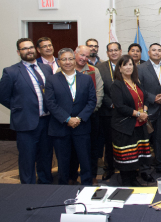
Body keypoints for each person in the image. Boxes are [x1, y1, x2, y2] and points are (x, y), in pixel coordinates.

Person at [0, 38, 54, 184]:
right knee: (27, 159)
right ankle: (27, 189)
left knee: (46, 156)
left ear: (35, 50)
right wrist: (21, 109)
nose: (28, 51)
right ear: (18, 52)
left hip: (47, 122)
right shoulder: (11, 72)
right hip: (25, 123)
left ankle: (45, 184)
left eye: (30, 48)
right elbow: (3, 97)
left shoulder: (46, 69)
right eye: (24, 49)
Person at [44, 48, 97, 185]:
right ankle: (63, 188)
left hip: (82, 127)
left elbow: (92, 101)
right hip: (60, 128)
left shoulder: (86, 79)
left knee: (85, 160)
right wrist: (67, 119)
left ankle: (87, 186)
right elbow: (50, 103)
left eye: (70, 59)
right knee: (63, 161)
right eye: (64, 59)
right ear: (59, 61)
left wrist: (79, 118)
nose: (67, 62)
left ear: (75, 60)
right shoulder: (51, 80)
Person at [110, 55, 151, 186]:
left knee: (136, 155)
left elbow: (144, 98)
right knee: (126, 157)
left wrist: (144, 111)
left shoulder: (136, 82)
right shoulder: (117, 84)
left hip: (139, 125)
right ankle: (127, 182)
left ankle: (133, 179)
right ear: (120, 68)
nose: (128, 67)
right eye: (125, 65)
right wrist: (139, 113)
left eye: (131, 64)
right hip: (124, 127)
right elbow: (120, 106)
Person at [68, 45, 104, 185]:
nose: (84, 58)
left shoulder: (94, 71)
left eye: (87, 56)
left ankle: (91, 176)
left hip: (90, 116)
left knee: (92, 149)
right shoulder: (63, 71)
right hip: (69, 119)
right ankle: (71, 176)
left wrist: (87, 113)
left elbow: (99, 93)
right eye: (81, 55)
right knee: (71, 150)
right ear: (75, 53)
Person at [137, 43, 161, 179]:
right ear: (148, 52)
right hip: (147, 109)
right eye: (154, 50)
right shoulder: (140, 68)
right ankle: (145, 169)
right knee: (146, 140)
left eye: (159, 50)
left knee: (159, 140)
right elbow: (138, 87)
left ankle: (160, 165)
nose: (157, 53)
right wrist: (153, 98)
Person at [96, 42, 122, 181]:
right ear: (107, 53)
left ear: (120, 51)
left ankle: (124, 167)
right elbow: (99, 90)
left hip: (126, 112)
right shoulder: (100, 68)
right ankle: (109, 168)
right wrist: (111, 104)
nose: (113, 53)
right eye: (110, 50)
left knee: (124, 141)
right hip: (108, 111)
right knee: (109, 141)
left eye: (116, 50)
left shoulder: (127, 64)